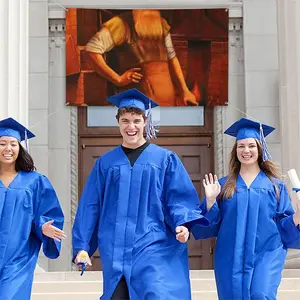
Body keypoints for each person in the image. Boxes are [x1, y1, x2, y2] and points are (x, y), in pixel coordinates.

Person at [72, 89, 208, 300]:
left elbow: (179, 197)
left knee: (156, 293)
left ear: (146, 121)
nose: (131, 127)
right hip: (116, 249)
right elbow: (91, 206)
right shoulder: (106, 164)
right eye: (125, 120)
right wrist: (82, 247)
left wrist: (183, 223)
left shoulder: (165, 160)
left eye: (136, 120)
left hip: (154, 244)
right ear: (118, 122)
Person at [190, 117, 300, 300]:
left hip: (267, 253)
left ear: (260, 149)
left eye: (251, 146)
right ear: (235, 151)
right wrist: (210, 201)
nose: (246, 150)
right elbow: (208, 227)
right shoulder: (224, 185)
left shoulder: (275, 186)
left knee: (260, 294)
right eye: (241, 146)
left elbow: (285, 226)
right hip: (230, 255)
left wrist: (298, 216)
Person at [0, 117, 65, 299]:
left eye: (13, 144)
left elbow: (46, 212)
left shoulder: (35, 181)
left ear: (20, 148)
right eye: (2, 143)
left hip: (18, 259)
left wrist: (42, 226)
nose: (8, 149)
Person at [85, 9, 197, 106]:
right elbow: (91, 50)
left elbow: (172, 57)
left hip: (167, 104)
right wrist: (117, 79)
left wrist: (184, 91)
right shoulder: (121, 24)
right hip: (136, 106)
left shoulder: (161, 24)